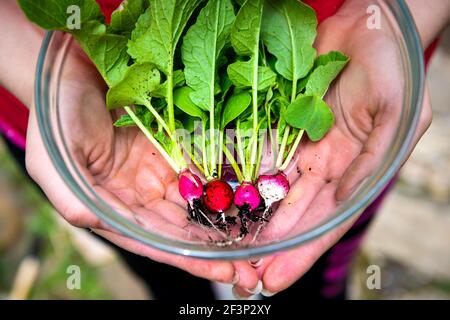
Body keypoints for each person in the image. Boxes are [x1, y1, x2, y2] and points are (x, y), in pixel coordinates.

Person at [0, 0, 448, 300]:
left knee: (312, 271)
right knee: (175, 282)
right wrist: (47, 77)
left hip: (347, 70)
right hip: (74, 103)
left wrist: (391, 20)